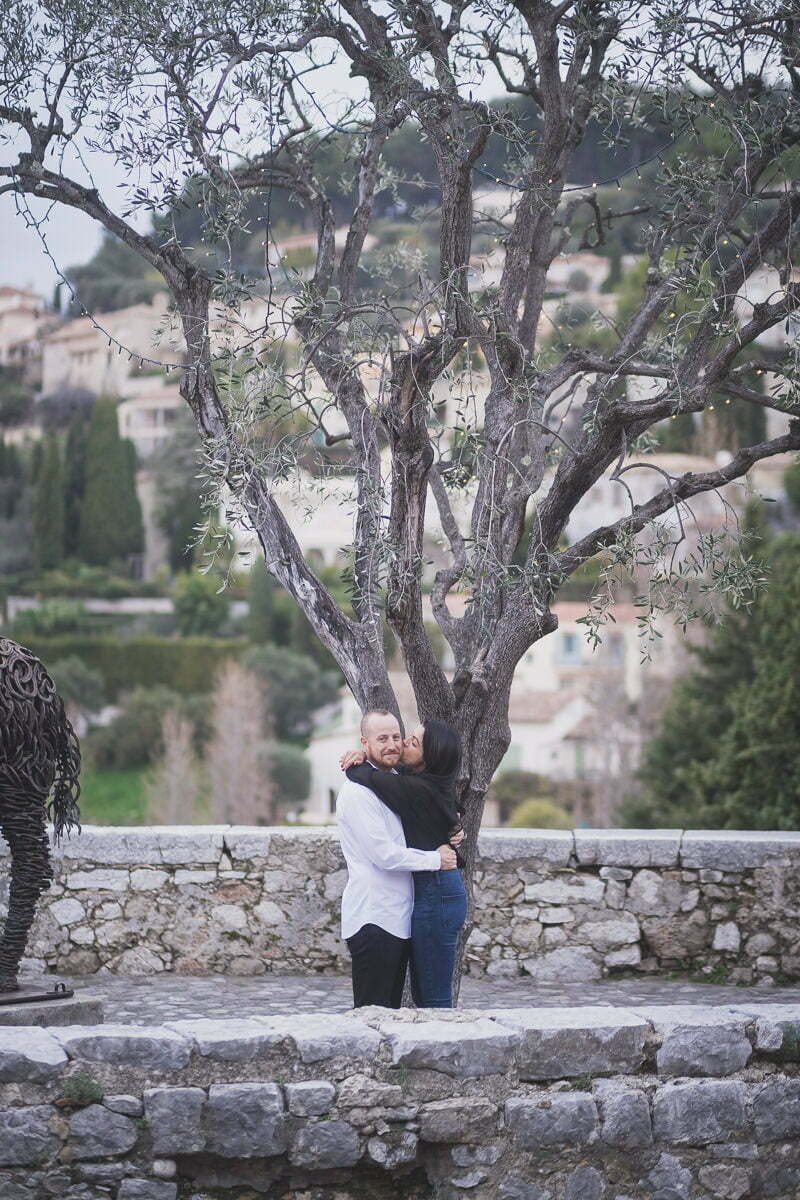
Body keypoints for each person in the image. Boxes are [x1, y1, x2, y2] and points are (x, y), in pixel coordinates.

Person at [340, 717, 468, 1009]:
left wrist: (359, 763)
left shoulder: (414, 788)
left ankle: (442, 1050)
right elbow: (383, 852)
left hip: (436, 895)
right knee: (407, 1002)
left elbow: (372, 776)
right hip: (398, 906)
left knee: (431, 998)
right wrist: (362, 756)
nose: (399, 745)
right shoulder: (410, 781)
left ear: (429, 756)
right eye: (383, 739)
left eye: (408, 740)